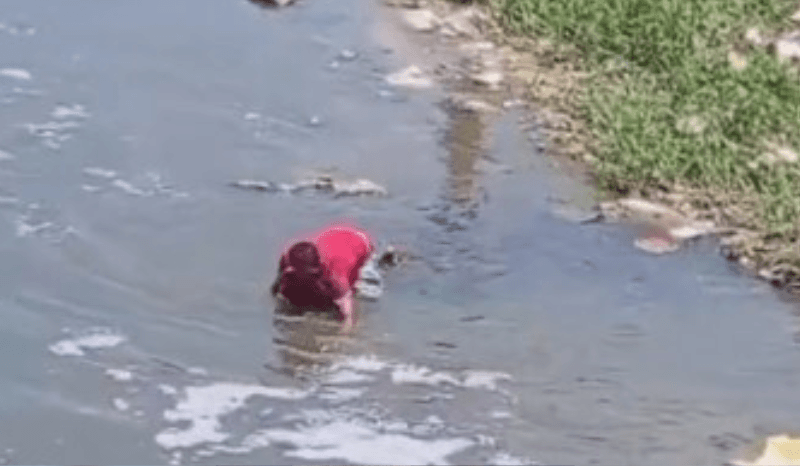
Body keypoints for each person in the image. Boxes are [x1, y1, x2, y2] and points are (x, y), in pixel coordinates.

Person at [271, 223, 375, 330]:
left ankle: (383, 263)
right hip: (331, 237)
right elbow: (276, 291)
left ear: (316, 271)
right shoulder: (288, 262)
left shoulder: (336, 275)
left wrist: (343, 333)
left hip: (359, 242)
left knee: (353, 292)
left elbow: (348, 316)